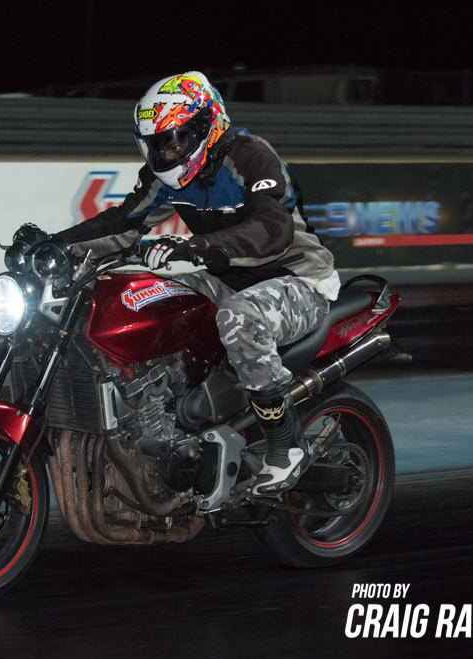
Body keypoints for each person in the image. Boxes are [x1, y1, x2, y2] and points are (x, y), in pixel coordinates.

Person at [53, 71, 339, 496]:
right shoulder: (169, 178)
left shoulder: (251, 157)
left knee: (240, 317)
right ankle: (172, 413)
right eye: (158, 144)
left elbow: (272, 227)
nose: (167, 152)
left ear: (208, 125)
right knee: (147, 298)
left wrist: (200, 244)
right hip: (227, 278)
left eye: (176, 140)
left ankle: (286, 444)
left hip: (296, 277)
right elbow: (125, 222)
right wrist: (55, 245)